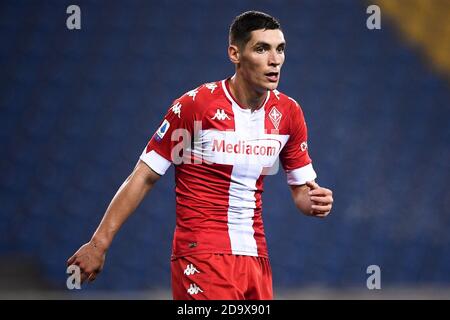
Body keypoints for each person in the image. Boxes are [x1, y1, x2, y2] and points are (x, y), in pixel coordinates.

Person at [67, 10, 333, 300]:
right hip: (202, 255)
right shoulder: (196, 107)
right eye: (261, 48)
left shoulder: (288, 114)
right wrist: (99, 243)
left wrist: (315, 202)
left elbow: (302, 192)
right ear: (235, 53)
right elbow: (144, 176)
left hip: (255, 256)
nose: (275, 59)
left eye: (280, 49)